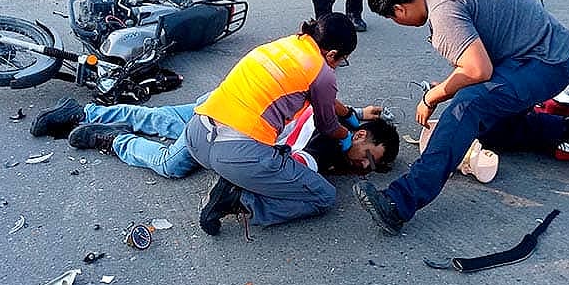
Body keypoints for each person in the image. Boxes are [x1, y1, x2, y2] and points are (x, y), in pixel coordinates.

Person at [353, 0, 569, 235]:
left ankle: (399, 201)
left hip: (546, 64)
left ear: (399, 10)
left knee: (467, 107)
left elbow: (478, 71)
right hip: (539, 57)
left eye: (392, 18)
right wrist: (448, 86)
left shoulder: (443, 10)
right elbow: (476, 63)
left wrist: (432, 97)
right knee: (486, 128)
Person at [183, 13, 370, 236]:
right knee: (324, 196)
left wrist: (349, 112)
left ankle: (234, 181)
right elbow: (327, 126)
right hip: (235, 154)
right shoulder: (322, 73)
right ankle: (240, 199)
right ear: (332, 54)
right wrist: (345, 135)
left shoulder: (284, 45)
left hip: (197, 135)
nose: (338, 65)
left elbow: (322, 99)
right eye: (342, 60)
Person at [29, 95, 399, 178]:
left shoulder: (338, 114)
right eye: (369, 156)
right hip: (224, 126)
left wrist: (359, 112)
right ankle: (111, 140)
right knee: (170, 164)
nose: (365, 166)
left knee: (157, 118)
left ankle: (84, 112)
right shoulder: (329, 143)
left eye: (372, 165)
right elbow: (293, 166)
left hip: (226, 100)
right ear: (360, 136)